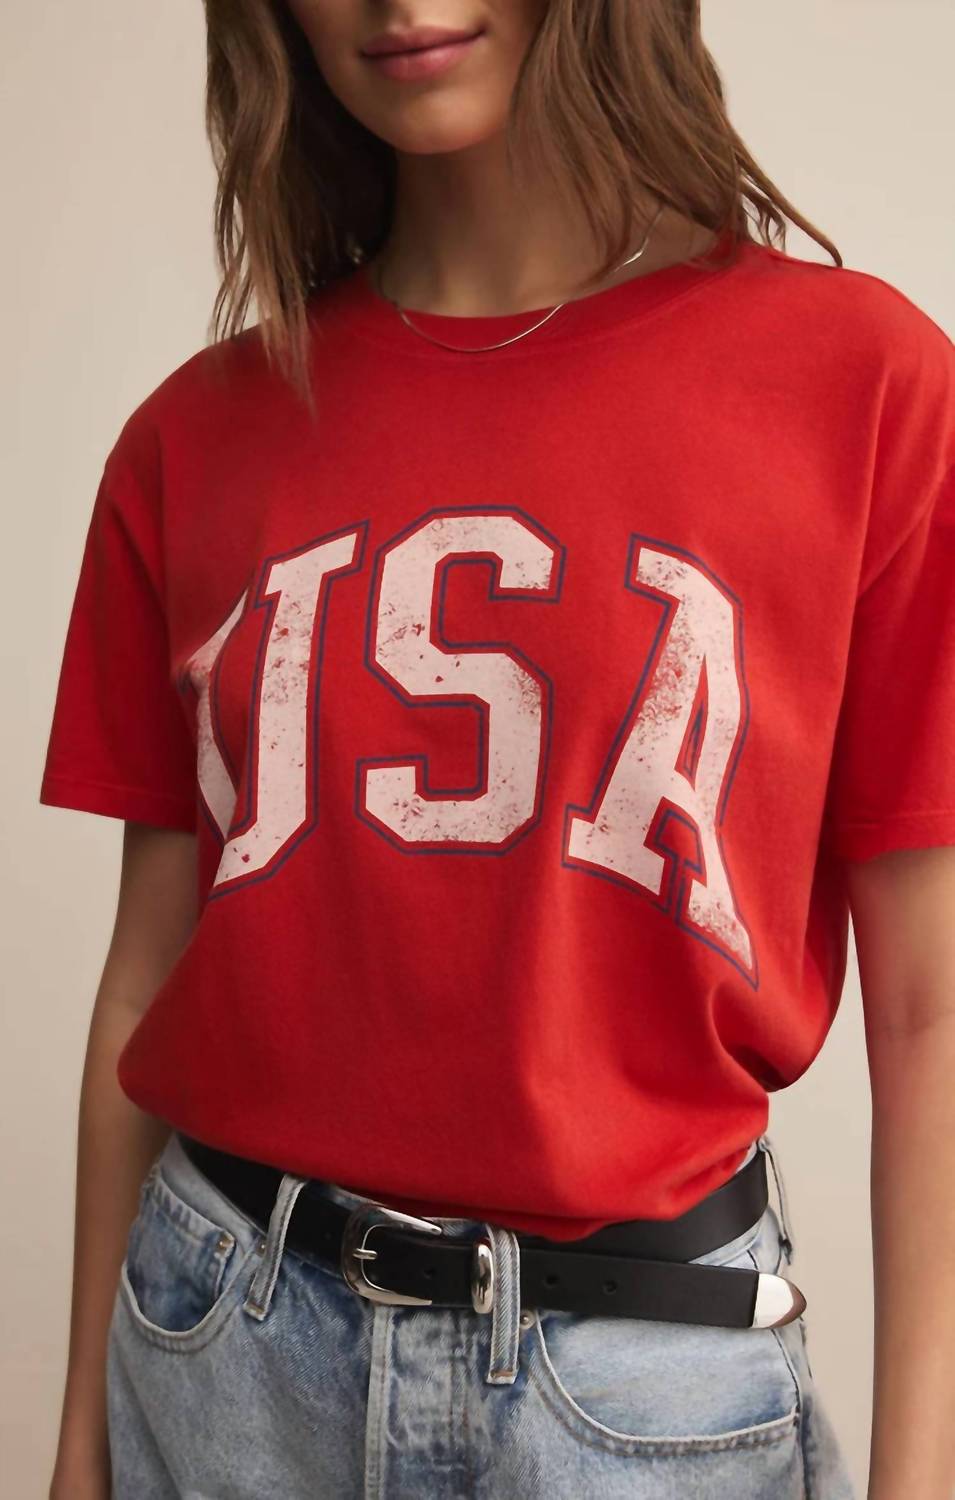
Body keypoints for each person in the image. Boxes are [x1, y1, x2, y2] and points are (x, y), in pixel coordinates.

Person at [40, 2, 955, 1498]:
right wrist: (79, 1443)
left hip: (641, 1396)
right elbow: (147, 978)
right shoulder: (191, 438)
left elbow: (930, 1014)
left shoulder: (867, 389)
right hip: (222, 1364)